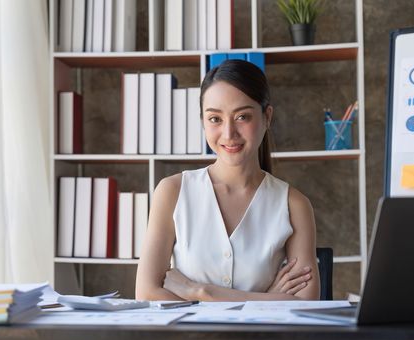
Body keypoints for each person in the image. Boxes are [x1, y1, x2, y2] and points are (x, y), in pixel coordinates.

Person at [135, 59, 320, 301]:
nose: (229, 133)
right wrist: (268, 300)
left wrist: (201, 292)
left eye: (242, 117)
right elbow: (147, 293)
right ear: (203, 121)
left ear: (267, 117)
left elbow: (304, 305)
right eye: (215, 119)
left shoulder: (294, 205)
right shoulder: (172, 191)